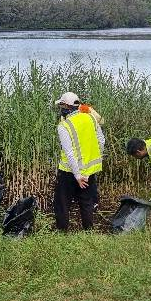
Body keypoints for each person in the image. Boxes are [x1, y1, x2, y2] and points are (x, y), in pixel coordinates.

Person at [53, 92, 104, 231]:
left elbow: (69, 153)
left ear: (65, 106)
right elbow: (101, 141)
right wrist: (91, 163)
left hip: (69, 172)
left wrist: (77, 175)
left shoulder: (64, 126)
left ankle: (62, 233)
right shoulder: (91, 118)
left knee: (62, 203)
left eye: (61, 105)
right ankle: (88, 232)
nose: (60, 109)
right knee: (87, 202)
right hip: (89, 171)